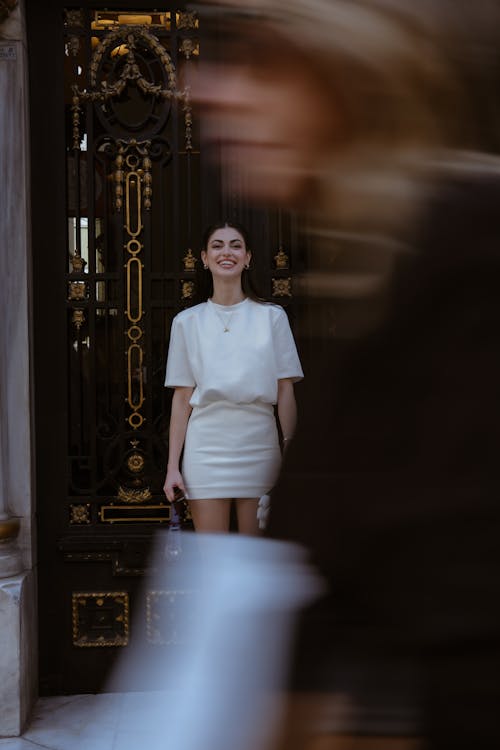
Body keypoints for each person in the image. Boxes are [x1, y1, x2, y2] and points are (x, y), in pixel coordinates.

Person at [192, 1, 500, 748]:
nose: (210, 88)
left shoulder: (473, 262)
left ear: (360, 68)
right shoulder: (380, 274)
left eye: (262, 59)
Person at [163, 220, 303, 534]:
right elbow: (182, 398)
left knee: (258, 561)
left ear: (248, 257)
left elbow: (285, 392)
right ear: (203, 257)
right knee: (214, 561)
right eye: (217, 245)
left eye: (235, 245)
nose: (227, 252)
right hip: (205, 449)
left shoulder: (272, 317)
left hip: (260, 446)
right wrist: (173, 466)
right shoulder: (187, 322)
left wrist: (290, 451)